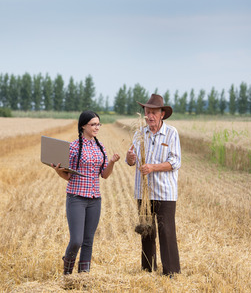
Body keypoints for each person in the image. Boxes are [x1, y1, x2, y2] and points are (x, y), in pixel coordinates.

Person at [52, 110, 120, 275]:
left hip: (94, 199)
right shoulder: (74, 147)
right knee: (76, 240)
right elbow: (67, 175)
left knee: (88, 241)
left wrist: (111, 162)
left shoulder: (100, 147)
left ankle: (84, 276)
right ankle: (67, 274)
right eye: (93, 124)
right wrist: (57, 171)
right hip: (76, 198)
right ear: (83, 126)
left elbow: (104, 175)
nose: (97, 127)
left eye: (98, 124)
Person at [125, 94, 181, 277]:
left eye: (153, 113)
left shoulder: (172, 133)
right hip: (144, 192)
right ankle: (148, 268)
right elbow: (131, 161)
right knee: (146, 231)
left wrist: (153, 168)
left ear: (162, 114)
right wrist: (130, 159)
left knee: (167, 232)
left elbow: (175, 162)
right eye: (147, 112)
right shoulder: (139, 133)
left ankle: (171, 271)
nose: (149, 116)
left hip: (165, 192)